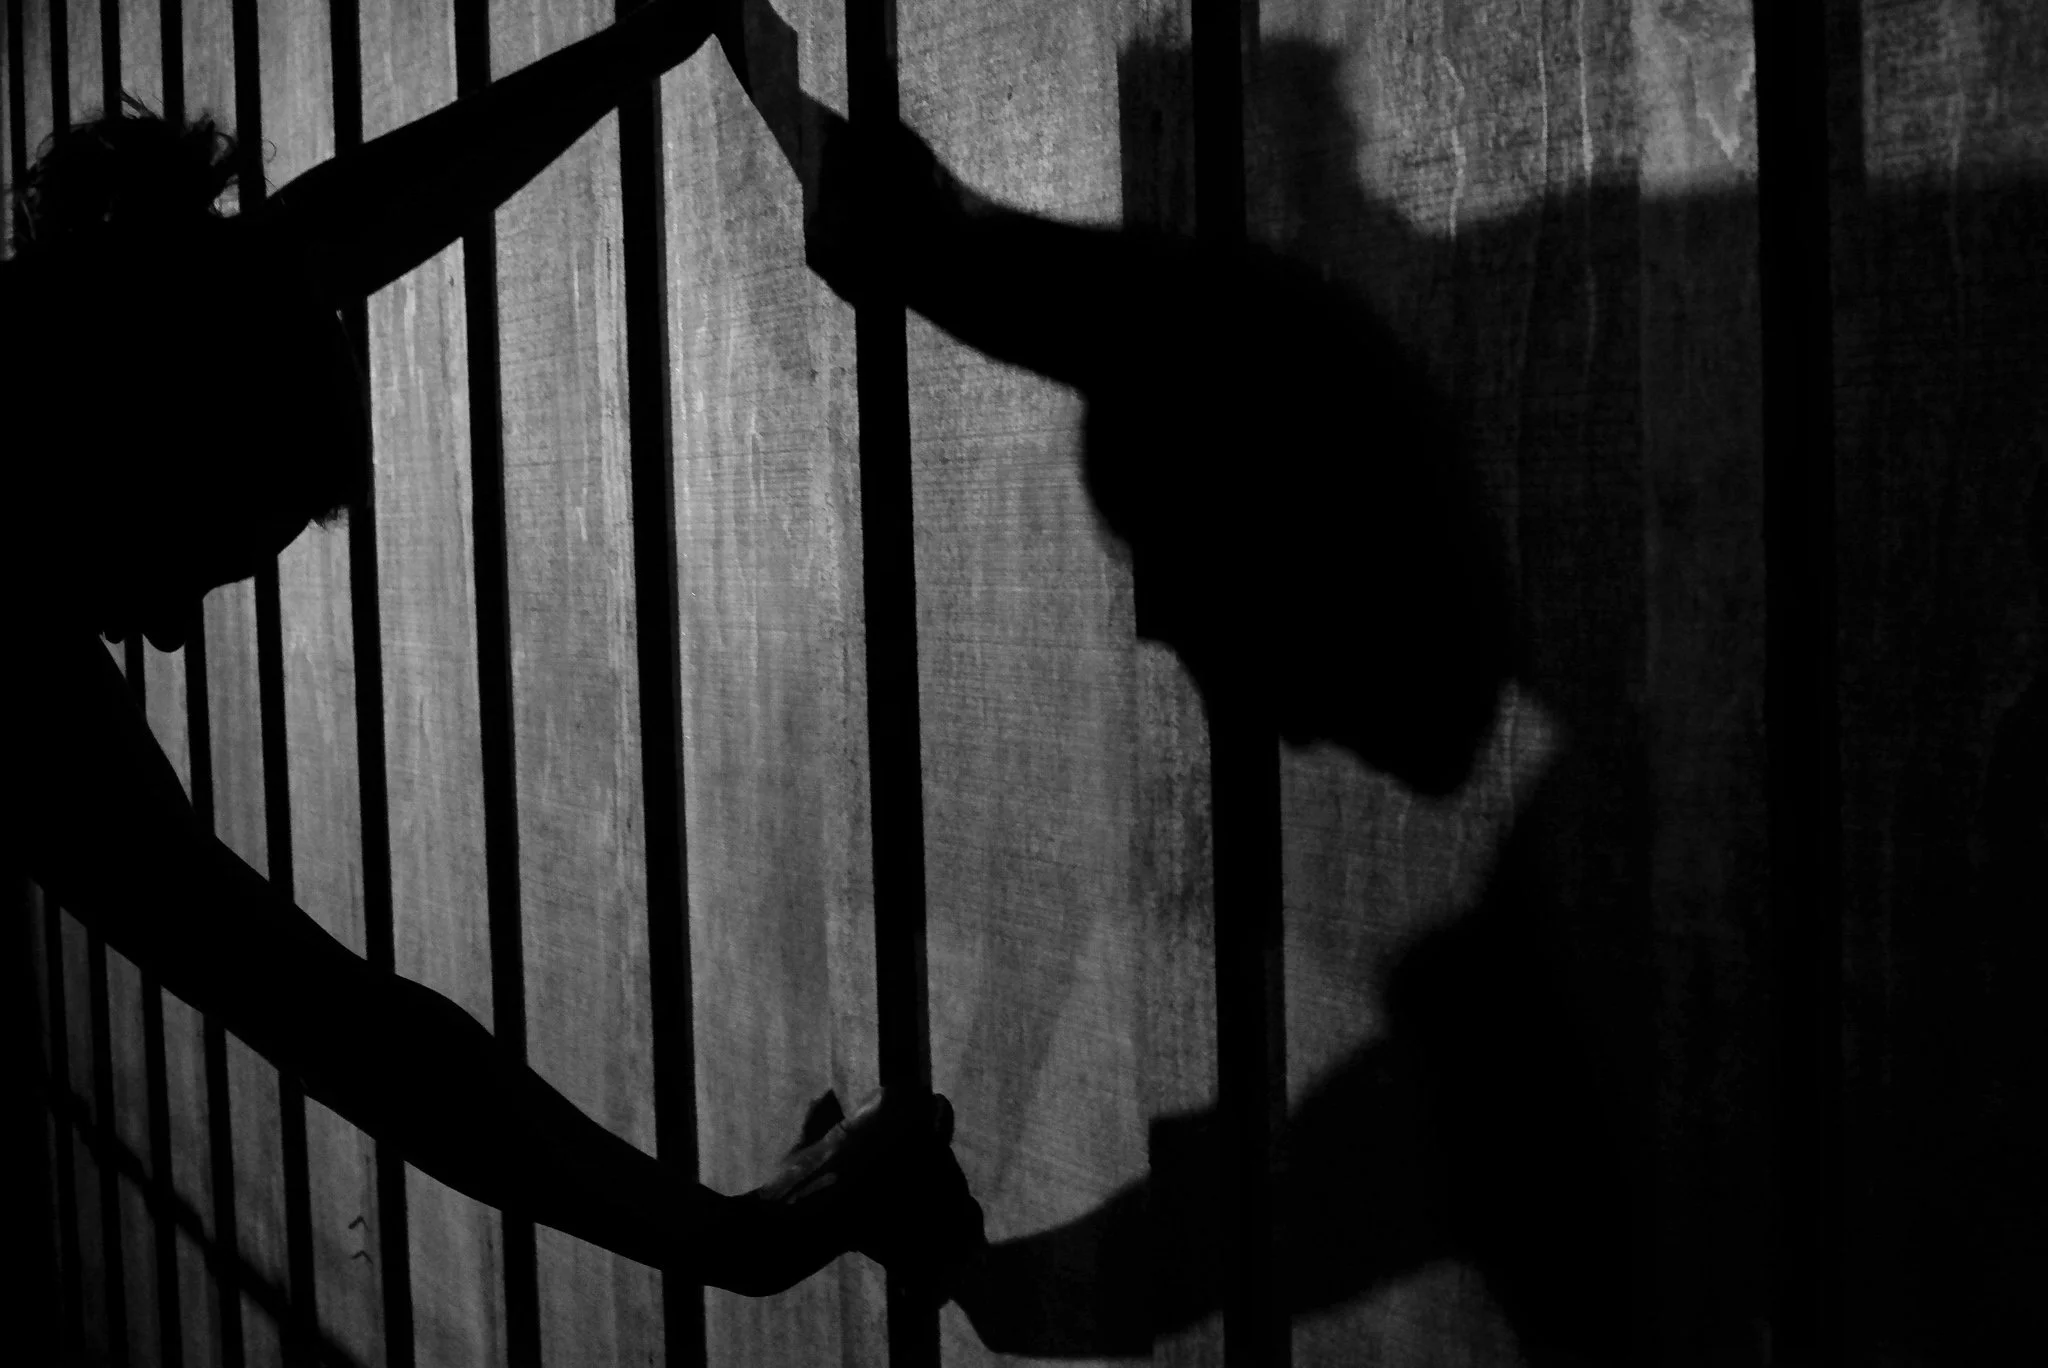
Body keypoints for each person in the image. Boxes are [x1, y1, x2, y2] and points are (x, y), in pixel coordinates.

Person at [0, 0, 983, 1301]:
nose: (168, 634)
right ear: (127, 444)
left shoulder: (93, 343)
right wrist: (730, 1242)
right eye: (181, 560)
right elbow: (342, 1028)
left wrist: (647, 44)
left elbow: (310, 245)